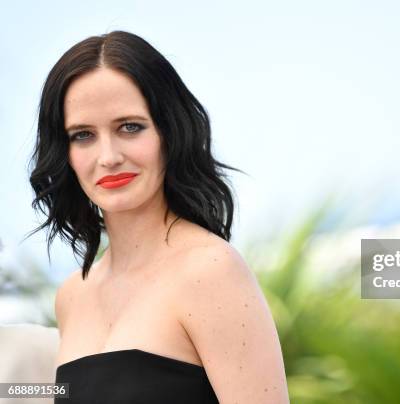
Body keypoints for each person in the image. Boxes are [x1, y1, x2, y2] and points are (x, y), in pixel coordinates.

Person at [26, 30, 290, 403]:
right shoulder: (73, 295)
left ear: (171, 131)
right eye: (83, 135)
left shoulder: (210, 271)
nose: (109, 156)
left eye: (129, 127)